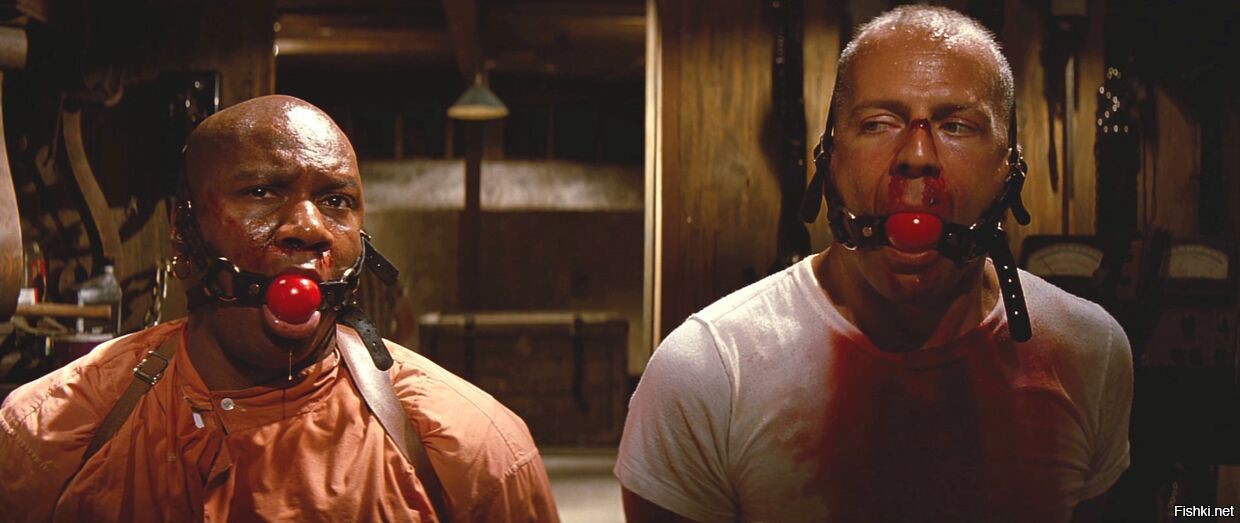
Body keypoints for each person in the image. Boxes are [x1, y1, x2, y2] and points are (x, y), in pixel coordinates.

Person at [616, 6, 1132, 523]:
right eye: (878, 123)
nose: (917, 154)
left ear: (1009, 166)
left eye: (957, 125)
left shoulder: (1090, 352)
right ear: (830, 157)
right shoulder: (707, 371)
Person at [0, 95, 558, 522]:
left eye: (336, 201)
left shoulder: (473, 450)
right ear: (183, 229)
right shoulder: (49, 434)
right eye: (262, 192)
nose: (310, 229)